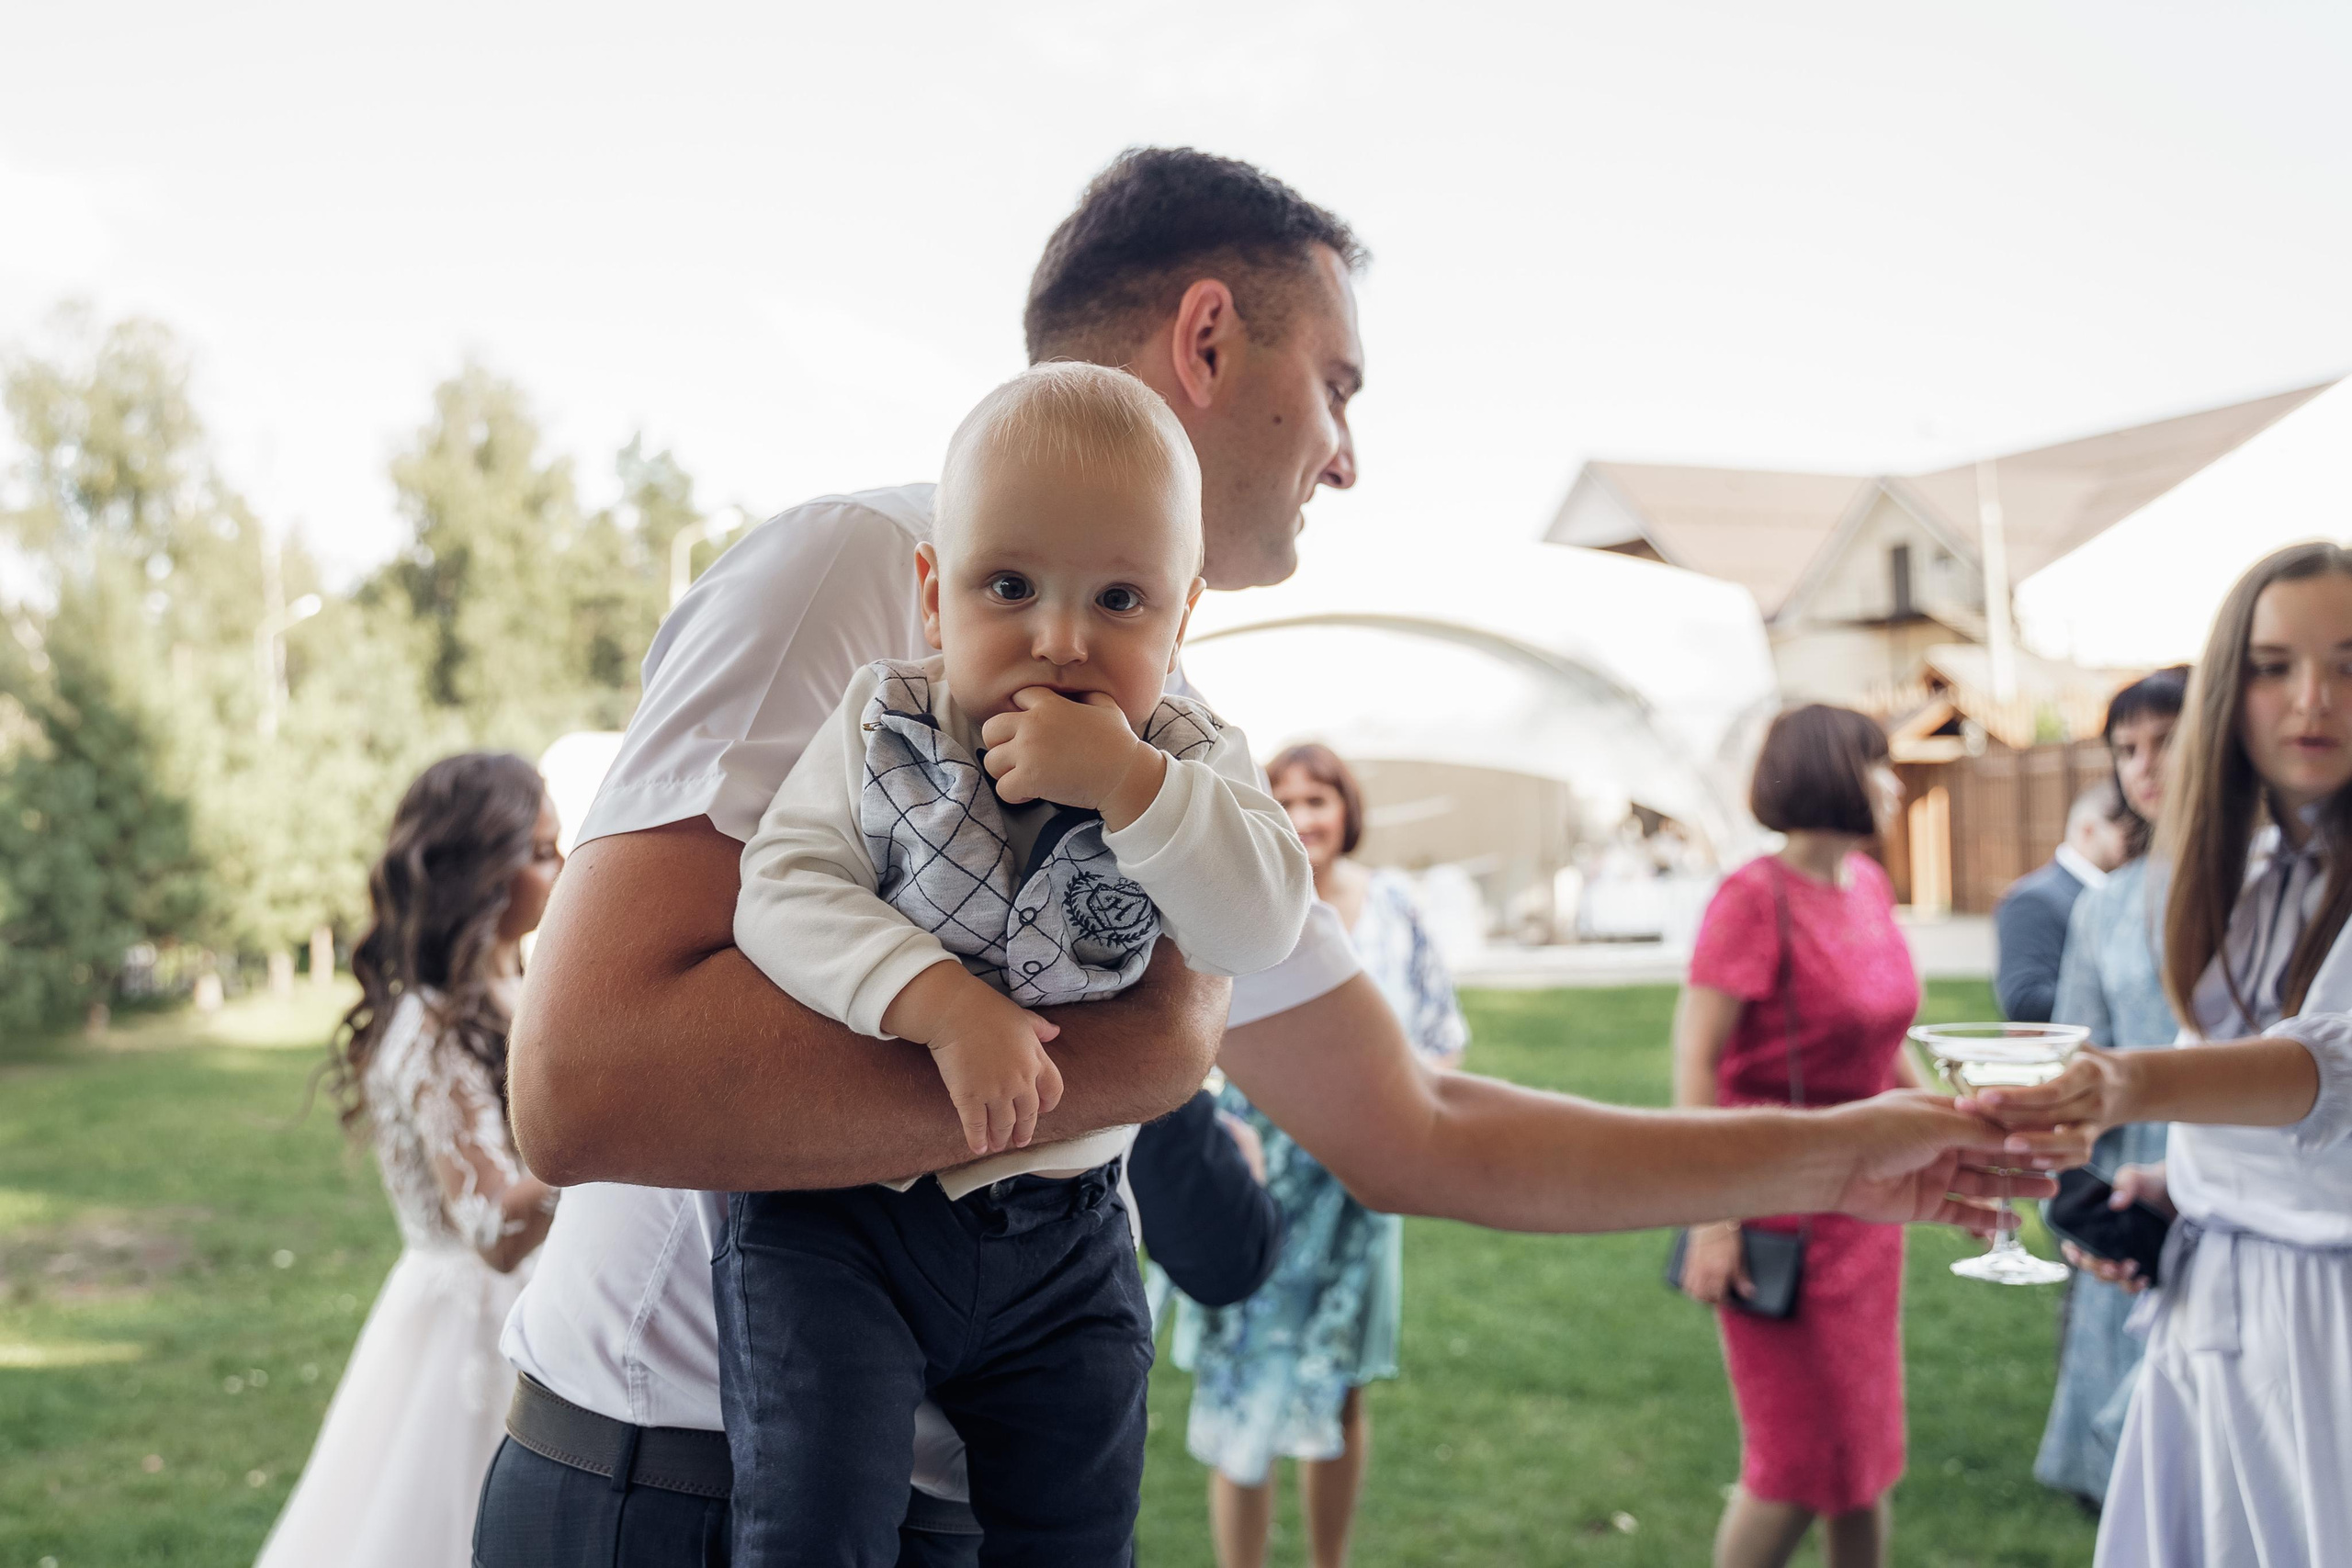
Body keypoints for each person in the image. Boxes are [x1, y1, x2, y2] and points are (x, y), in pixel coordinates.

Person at [482, 148, 2071, 1568]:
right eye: (1341, 387)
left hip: (959, 1502)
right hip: (682, 1495)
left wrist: (1854, 1157)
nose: (1349, 454)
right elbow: (581, 1082)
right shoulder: (854, 569)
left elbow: (1419, 1121)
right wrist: (1146, 1050)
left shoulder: (1179, 745)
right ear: (1209, 336)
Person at [718, 364, 1312, 1563]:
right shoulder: (883, 723)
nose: (1060, 636)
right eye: (1009, 585)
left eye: (1120, 599)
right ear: (935, 596)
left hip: (1069, 1223)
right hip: (842, 1217)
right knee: (815, 1517)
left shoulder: (1189, 756)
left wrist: (1135, 787)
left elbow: (1260, 926)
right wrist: (934, 999)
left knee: (1079, 1524)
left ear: (1183, 616)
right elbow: (781, 888)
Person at [1977, 542, 2352, 1567]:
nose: (2311, 697)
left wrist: (2123, 1081)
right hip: (2215, 1302)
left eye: (2349, 663)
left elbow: (2321, 1069)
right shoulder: (2249, 870)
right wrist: (2175, 1186)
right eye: (2274, 665)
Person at [255, 754, 563, 1568]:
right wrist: (602, 1146)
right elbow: (492, 1224)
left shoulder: (526, 986)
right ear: (479, 873)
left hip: (547, 1308)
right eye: (540, 851)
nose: (563, 866)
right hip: (471, 1324)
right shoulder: (430, 1030)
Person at [1170, 743, 1468, 1568]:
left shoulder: (1395, 906)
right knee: (1241, 1387)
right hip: (1260, 1187)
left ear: (1348, 809)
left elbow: (1442, 1037)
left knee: (1340, 1390)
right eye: (1287, 800)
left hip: (1361, 1193)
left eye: (1319, 800)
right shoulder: (1243, 906)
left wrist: (1398, 1117)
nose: (1304, 818)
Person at [1671, 705, 1931, 1568]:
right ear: (1834, 770)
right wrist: (1713, 1218)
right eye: (1880, 764)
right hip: (1774, 1211)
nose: (1894, 784)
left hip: (1868, 1208)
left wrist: (1954, 1136)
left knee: (1865, 1459)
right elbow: (1696, 1061)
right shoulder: (1751, 897)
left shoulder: (1866, 884)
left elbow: (1880, 1045)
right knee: (1788, 1468)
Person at [2032, 666, 2188, 1510]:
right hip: (2132, 1167)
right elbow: (2078, 1049)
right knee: (2133, 1485)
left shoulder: (2282, 883)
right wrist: (2064, 1175)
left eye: (2165, 740)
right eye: (2127, 748)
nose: (2143, 764)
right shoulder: (2108, 903)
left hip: (2247, 1169)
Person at [1995, 782, 2130, 1022]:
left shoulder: (2126, 896)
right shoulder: (2033, 901)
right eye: (2126, 827)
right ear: (2088, 829)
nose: (2138, 838)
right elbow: (2024, 1000)